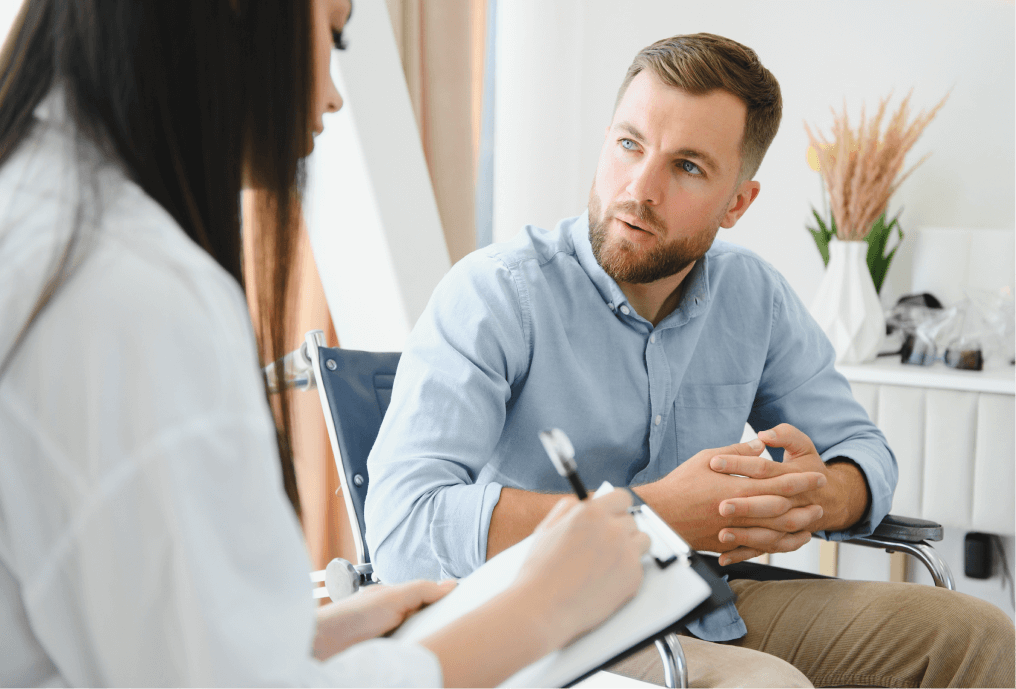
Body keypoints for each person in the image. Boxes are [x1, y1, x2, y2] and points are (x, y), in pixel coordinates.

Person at [0, 1, 652, 686]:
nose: (333, 95)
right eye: (333, 34)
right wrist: (540, 608)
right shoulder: (131, 298)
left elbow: (141, 635)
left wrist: (314, 637)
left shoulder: (46, 224)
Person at [364, 32, 1016, 688]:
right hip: (536, 620)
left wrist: (815, 499)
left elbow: (862, 450)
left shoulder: (752, 295)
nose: (639, 187)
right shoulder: (495, 293)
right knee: (764, 684)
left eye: (688, 167)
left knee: (976, 634)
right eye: (628, 144)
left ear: (738, 202)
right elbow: (402, 522)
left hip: (700, 604)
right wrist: (654, 511)